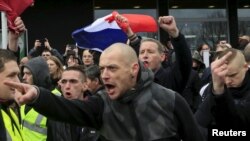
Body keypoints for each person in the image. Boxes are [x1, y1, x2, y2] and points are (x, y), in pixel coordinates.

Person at [5, 43, 204, 141]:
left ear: (133, 69)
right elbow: (65, 108)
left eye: (112, 68)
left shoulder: (170, 100)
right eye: (102, 69)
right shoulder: (101, 104)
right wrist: (37, 95)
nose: (104, 75)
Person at [116, 15, 192, 94]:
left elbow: (184, 60)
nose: (145, 55)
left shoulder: (171, 78)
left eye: (150, 52)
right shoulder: (135, 81)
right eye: (142, 52)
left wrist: (174, 33)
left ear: (162, 57)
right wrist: (129, 32)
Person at [195, 48, 250, 140]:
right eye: (223, 75)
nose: (227, 81)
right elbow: (198, 124)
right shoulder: (213, 89)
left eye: (232, 75)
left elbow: (238, 123)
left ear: (245, 67)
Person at [47, 66, 99, 141]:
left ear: (85, 86)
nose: (67, 86)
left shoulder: (97, 112)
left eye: (73, 81)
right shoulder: (55, 114)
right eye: (64, 82)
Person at [0, 17, 25, 141]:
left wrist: (13, 40)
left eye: (18, 75)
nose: (18, 82)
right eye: (11, 76)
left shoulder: (7, 107)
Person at [20, 56, 53, 141]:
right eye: (23, 73)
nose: (23, 77)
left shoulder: (55, 98)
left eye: (28, 73)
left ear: (39, 75)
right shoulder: (23, 95)